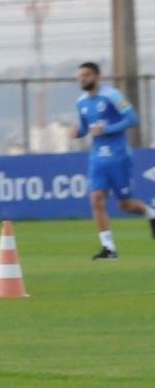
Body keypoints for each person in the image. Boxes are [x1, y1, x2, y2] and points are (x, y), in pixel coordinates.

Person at [74, 61, 155, 259]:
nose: (82, 79)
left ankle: (152, 214)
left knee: (125, 205)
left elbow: (132, 118)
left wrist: (107, 129)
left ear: (97, 76)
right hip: (97, 158)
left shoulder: (112, 95)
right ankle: (109, 248)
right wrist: (78, 132)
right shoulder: (81, 102)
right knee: (96, 199)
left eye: (86, 75)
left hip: (118, 156)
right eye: (80, 76)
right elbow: (86, 127)